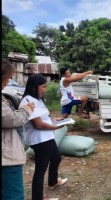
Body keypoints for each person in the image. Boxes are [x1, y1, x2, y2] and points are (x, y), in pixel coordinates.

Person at [19, 74, 68, 200]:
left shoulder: (37, 99)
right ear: (35, 87)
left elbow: (43, 117)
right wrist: (55, 127)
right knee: (41, 169)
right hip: (39, 140)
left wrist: (54, 120)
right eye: (43, 87)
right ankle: (38, 197)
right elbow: (38, 125)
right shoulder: (28, 101)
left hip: (47, 137)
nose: (45, 90)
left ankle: (53, 182)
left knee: (56, 158)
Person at [2, 59, 35, 200]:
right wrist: (27, 110)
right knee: (13, 195)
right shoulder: (27, 100)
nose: (9, 82)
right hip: (6, 158)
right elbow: (10, 119)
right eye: (8, 78)